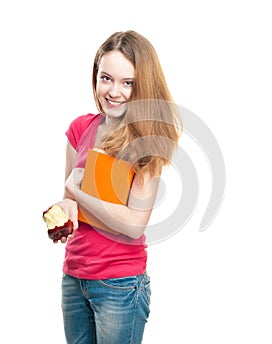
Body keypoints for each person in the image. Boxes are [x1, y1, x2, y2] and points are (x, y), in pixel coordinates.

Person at [47, 30, 181, 344]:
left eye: (128, 82)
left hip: (119, 285)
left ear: (143, 86)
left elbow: (134, 225)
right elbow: (69, 198)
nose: (114, 91)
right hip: (74, 277)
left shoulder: (147, 140)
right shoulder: (81, 128)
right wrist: (62, 214)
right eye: (106, 78)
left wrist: (77, 192)